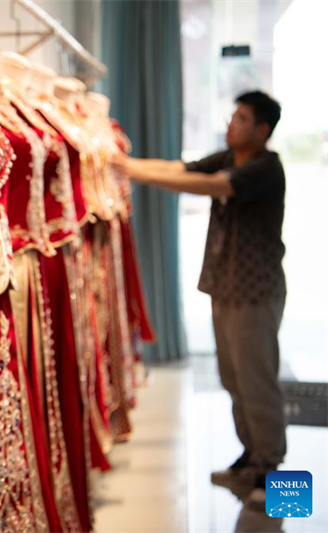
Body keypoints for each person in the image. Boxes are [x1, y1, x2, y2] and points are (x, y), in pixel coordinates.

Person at [113, 91, 286, 504]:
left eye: (241, 118)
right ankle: (251, 463)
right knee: (234, 380)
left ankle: (279, 487)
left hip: (256, 294)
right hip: (225, 289)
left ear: (262, 131)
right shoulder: (231, 156)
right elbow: (181, 166)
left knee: (258, 383)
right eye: (233, 116)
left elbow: (208, 185)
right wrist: (129, 164)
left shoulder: (265, 167)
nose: (232, 124)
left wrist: (133, 172)